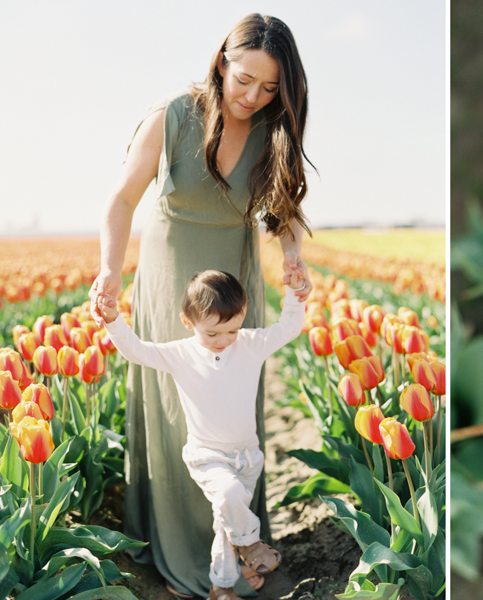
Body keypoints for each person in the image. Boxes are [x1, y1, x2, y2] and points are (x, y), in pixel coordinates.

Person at [89, 14, 313, 597]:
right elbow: (120, 199)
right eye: (244, 80)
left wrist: (292, 258)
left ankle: (239, 544)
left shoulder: (272, 129)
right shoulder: (173, 116)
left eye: (269, 89)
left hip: (236, 276)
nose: (252, 97)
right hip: (170, 275)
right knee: (175, 401)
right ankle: (177, 543)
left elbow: (283, 211)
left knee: (231, 399)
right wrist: (110, 271)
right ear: (222, 62)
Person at [95, 270, 304, 600]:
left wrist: (294, 295)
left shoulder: (250, 344)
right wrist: (112, 320)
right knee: (228, 497)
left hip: (248, 455)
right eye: (213, 333)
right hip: (207, 455)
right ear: (187, 321)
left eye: (232, 329)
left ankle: (220, 587)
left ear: (243, 316)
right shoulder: (181, 353)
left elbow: (289, 328)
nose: (223, 339)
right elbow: (136, 350)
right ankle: (250, 543)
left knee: (226, 522)